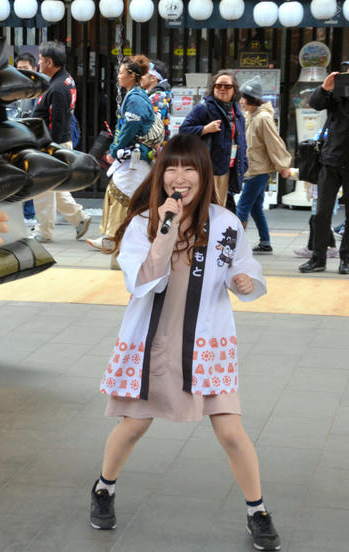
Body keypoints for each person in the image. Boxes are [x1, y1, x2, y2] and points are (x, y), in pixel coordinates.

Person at [89, 133, 280, 552]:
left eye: (189, 167)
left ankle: (257, 510)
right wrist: (166, 227)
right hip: (154, 343)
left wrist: (246, 280)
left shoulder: (225, 222)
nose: (180, 176)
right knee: (134, 425)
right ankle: (104, 488)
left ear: (203, 173)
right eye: (172, 167)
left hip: (206, 344)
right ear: (161, 174)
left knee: (231, 431)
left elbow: (242, 266)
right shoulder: (144, 223)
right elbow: (142, 280)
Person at [86, 55, 155, 259]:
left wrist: (116, 149)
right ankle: (116, 240)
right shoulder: (135, 95)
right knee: (124, 197)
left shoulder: (134, 98)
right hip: (136, 158)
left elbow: (130, 127)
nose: (118, 75)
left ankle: (116, 240)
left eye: (121, 72)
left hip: (136, 159)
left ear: (132, 76)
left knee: (120, 195)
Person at [31, 41, 91, 243]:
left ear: (49, 62)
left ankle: (44, 232)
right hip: (56, 143)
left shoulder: (57, 87)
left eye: (40, 59)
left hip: (52, 144)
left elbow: (56, 122)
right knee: (55, 189)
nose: (38, 63)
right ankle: (80, 218)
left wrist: (50, 149)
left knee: (42, 190)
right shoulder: (64, 80)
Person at [299, 63, 349, 275]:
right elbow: (315, 103)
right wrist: (325, 87)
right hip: (331, 159)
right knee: (321, 213)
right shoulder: (336, 93)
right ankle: (318, 257)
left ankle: (346, 259)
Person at [236, 75, 291, 255]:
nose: (241, 101)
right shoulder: (250, 115)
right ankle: (265, 243)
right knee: (255, 208)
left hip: (258, 171)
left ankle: (233, 246)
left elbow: (274, 143)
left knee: (242, 208)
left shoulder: (263, 118)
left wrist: (283, 166)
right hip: (254, 168)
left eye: (243, 97)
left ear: (252, 98)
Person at [179, 70, 247, 213]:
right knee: (207, 210)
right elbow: (184, 130)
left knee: (220, 210)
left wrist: (243, 164)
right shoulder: (203, 108)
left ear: (234, 90)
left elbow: (241, 141)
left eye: (227, 86)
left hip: (229, 170)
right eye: (218, 86)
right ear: (213, 88)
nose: (222, 89)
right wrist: (205, 129)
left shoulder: (238, 113)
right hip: (209, 170)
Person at [14, 53, 39, 226]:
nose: (22, 72)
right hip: (19, 138)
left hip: (34, 139)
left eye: (26, 68)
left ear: (34, 69)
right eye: (19, 69)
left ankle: (30, 215)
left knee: (31, 176)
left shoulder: (39, 89)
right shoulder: (15, 88)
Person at [142, 59, 173, 148]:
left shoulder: (156, 98)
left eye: (144, 74)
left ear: (153, 78)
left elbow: (152, 130)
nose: (140, 77)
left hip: (152, 154)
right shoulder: (155, 96)